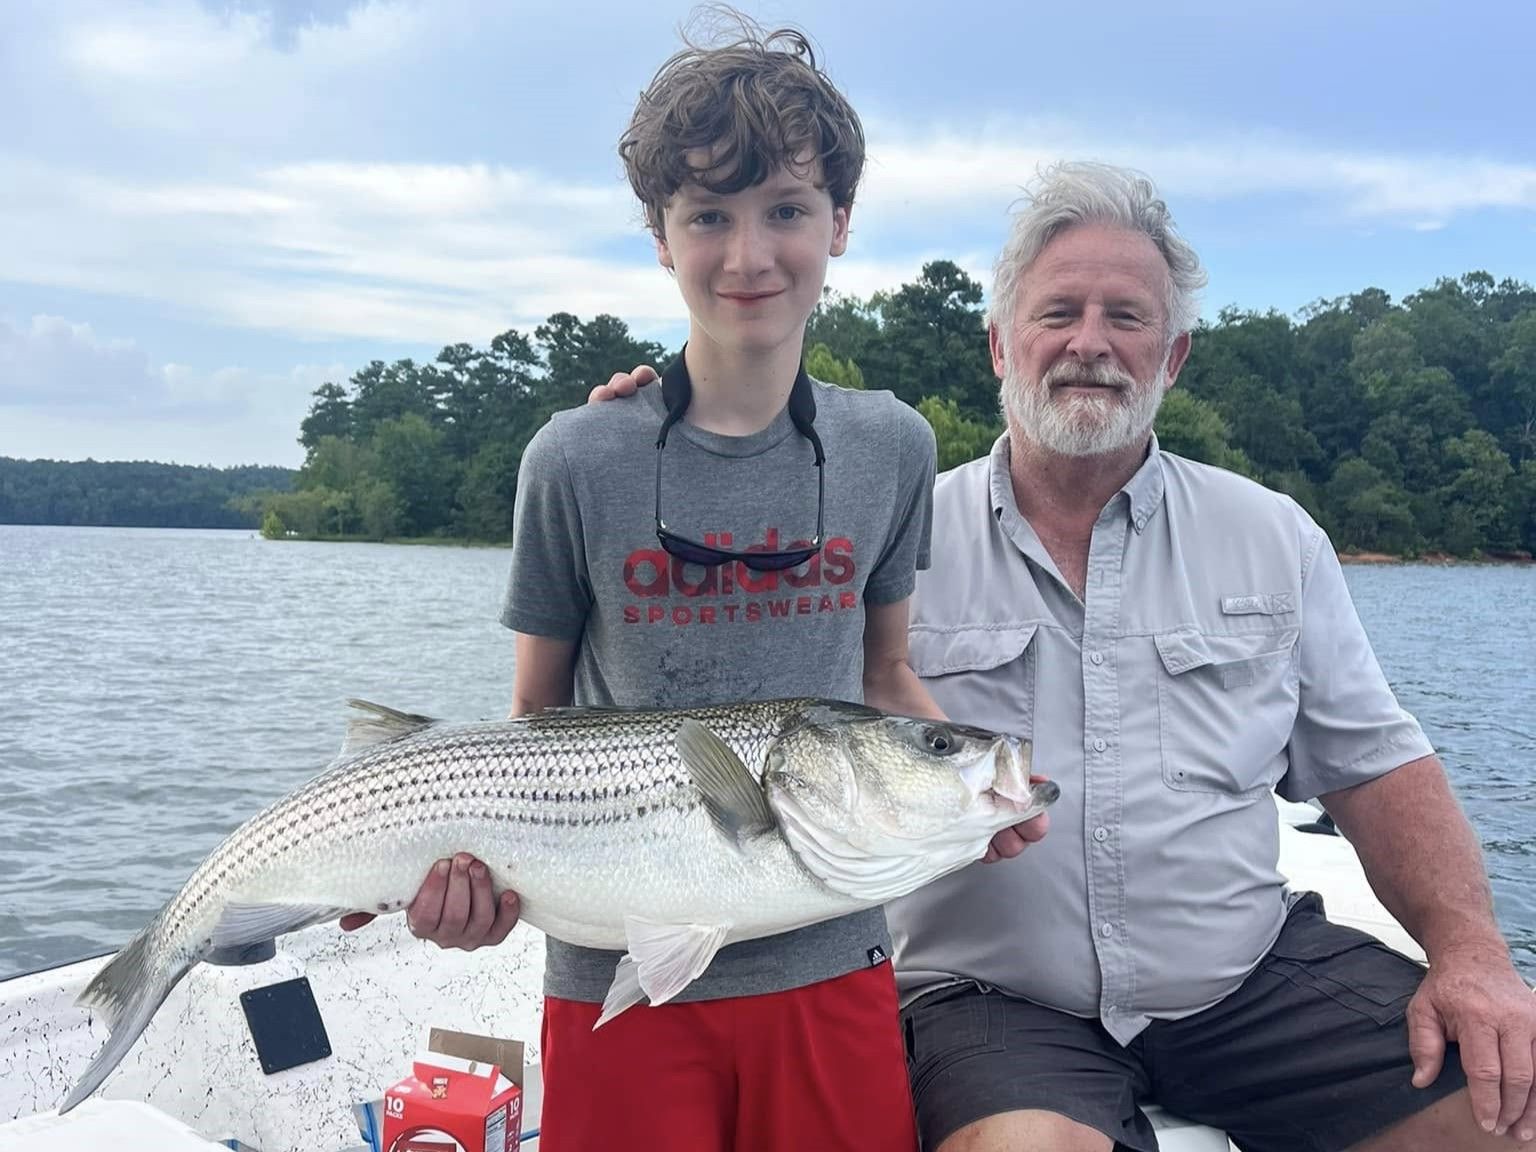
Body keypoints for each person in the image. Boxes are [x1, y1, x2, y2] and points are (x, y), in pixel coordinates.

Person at [593, 160, 1536, 1152]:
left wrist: (1472, 952)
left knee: (1511, 1111)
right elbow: (701, 675)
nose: (1090, 344)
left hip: (1252, 978)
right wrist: (646, 466)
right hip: (989, 1004)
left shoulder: (1273, 536)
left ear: (1172, 357)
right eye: (1058, 314)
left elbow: (1374, 766)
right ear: (1001, 344)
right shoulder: (871, 538)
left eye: (1126, 318)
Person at [343, 15, 1030, 1152]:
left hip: (833, 960)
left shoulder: (894, 446)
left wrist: (960, 787)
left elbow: (888, 670)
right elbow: (536, 725)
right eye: (707, 215)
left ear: (841, 225)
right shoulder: (577, 456)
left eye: (787, 211)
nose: (748, 256)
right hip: (617, 974)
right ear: (661, 237)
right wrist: (475, 884)